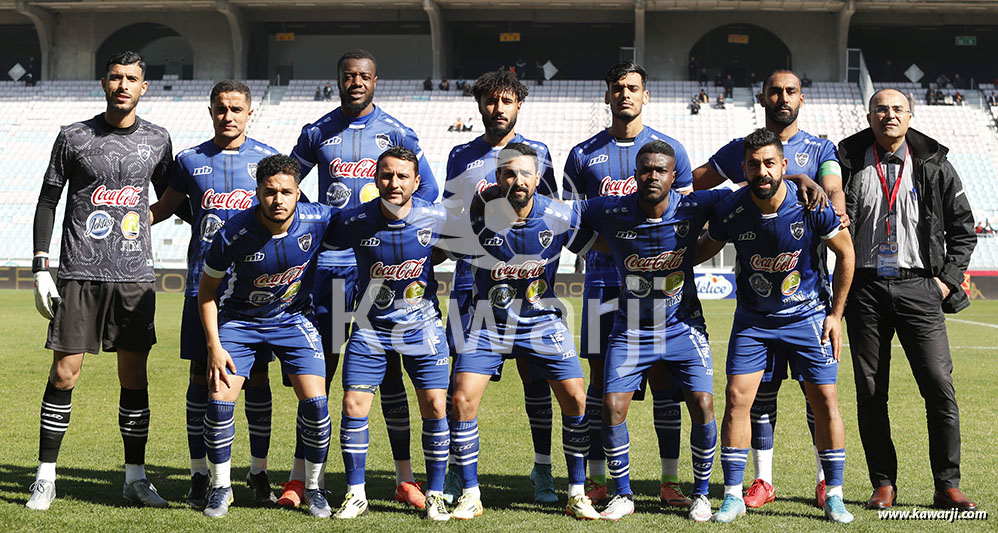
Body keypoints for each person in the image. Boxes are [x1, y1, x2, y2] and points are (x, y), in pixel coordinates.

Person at [288, 48, 439, 509]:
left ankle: (404, 478)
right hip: (333, 269)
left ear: (375, 81)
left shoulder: (397, 132)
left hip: (378, 273)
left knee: (389, 376)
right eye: (349, 75)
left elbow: (428, 192)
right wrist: (315, 223)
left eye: (364, 76)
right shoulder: (316, 131)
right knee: (321, 372)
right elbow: (289, 184)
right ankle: (302, 477)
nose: (356, 82)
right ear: (338, 80)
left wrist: (395, 232)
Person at [27, 50, 174, 511]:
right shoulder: (74, 136)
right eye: (115, 77)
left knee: (133, 376)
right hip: (79, 273)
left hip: (134, 276)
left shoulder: (158, 139)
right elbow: (48, 200)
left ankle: (135, 479)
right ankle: (45, 478)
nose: (122, 85)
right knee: (64, 374)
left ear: (143, 87)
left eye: (131, 78)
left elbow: (174, 196)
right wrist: (40, 265)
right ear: (104, 82)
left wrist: (148, 218)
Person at [692, 69, 842, 510]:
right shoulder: (740, 149)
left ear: (802, 98)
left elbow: (832, 192)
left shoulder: (821, 148)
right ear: (762, 98)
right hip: (757, 302)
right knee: (759, 396)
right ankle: (762, 480)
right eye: (775, 91)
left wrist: (816, 193)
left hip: (806, 296)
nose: (783, 98)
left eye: (791, 91)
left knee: (819, 396)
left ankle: (825, 481)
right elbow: (694, 182)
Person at [562, 61, 694, 509]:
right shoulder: (582, 154)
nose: (625, 94)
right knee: (602, 380)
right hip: (602, 282)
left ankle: (669, 480)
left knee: (664, 379)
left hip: (659, 286)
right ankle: (599, 478)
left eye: (633, 87)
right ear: (607, 95)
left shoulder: (670, 150)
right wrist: (611, 249)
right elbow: (572, 221)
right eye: (617, 87)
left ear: (645, 95)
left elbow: (685, 216)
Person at [838, 89, 977, 513]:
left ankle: (947, 485)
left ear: (910, 116)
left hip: (920, 287)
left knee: (938, 386)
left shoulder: (935, 164)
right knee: (870, 391)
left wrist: (945, 283)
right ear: (869, 117)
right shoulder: (847, 163)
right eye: (881, 109)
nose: (889, 115)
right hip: (864, 289)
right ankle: (883, 484)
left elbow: (964, 230)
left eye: (898, 109)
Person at [447, 143, 600, 521]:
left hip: (542, 320)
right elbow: (435, 247)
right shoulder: (476, 217)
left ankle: (577, 492)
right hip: (488, 321)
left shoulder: (559, 216)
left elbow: (599, 246)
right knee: (461, 399)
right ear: (498, 178)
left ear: (538, 178)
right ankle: (470, 493)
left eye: (525, 174)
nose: (518, 181)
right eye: (509, 173)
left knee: (576, 398)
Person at [575, 140, 724, 521]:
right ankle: (622, 494)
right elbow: (563, 216)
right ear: (635, 175)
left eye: (661, 170)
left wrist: (800, 179)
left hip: (683, 325)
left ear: (674, 177)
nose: (652, 176)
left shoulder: (694, 205)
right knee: (612, 405)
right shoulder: (610, 210)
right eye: (646, 170)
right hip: (631, 330)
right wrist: (600, 245)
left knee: (703, 404)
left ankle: (701, 494)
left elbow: (751, 195)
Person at [149, 80, 279, 509]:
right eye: (221, 108)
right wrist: (120, 219)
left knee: (256, 377)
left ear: (249, 113)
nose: (228, 116)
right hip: (201, 287)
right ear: (211, 112)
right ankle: (199, 475)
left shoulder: (268, 160)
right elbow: (162, 209)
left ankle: (258, 473)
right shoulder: (190, 160)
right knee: (201, 378)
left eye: (236, 108)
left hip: (253, 290)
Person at [440, 69, 560, 505]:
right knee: (461, 383)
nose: (498, 108)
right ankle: (456, 472)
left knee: (536, 380)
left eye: (506, 101)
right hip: (471, 286)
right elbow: (452, 219)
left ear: (518, 105)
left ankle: (542, 469)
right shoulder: (460, 155)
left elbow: (551, 215)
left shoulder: (537, 152)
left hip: (527, 287)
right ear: (479, 105)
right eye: (491, 101)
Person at [197, 154, 335, 518]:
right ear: (257, 192)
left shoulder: (319, 219)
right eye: (270, 192)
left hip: (292, 319)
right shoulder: (232, 233)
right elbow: (206, 292)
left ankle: (315, 488)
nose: (278, 199)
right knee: (219, 402)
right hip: (239, 322)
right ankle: (220, 487)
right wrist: (214, 346)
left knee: (317, 406)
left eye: (286, 192)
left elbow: (367, 224)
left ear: (298, 193)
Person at [326, 147, 452, 521]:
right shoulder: (355, 219)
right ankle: (355, 494)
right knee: (353, 405)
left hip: (422, 325)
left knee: (436, 407)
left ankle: (435, 495)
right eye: (386, 175)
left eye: (402, 176)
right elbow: (316, 241)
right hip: (370, 328)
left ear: (416, 181)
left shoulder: (437, 217)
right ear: (375, 178)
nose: (394, 182)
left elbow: (451, 251)